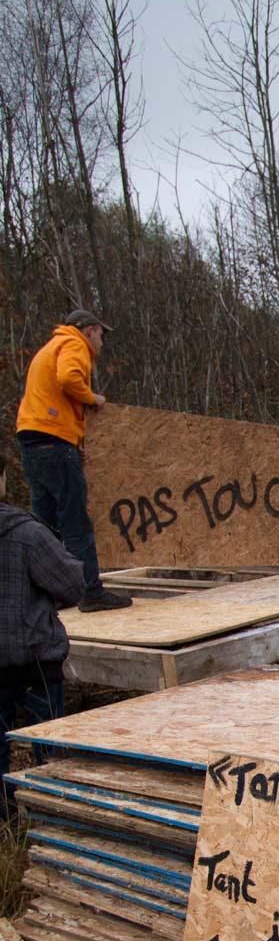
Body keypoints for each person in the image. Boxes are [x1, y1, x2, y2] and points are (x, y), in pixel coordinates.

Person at [15, 308, 131, 611]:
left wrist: (73, 441)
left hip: (33, 441)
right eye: (101, 335)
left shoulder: (49, 348)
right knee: (75, 521)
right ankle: (90, 590)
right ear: (90, 330)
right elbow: (68, 379)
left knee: (45, 523)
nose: (102, 344)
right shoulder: (74, 344)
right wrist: (93, 398)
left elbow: (53, 399)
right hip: (53, 442)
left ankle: (48, 594)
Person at [0, 453, 85, 826]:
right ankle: (55, 825)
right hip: (35, 663)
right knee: (50, 755)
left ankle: (8, 830)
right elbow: (72, 585)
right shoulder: (26, 533)